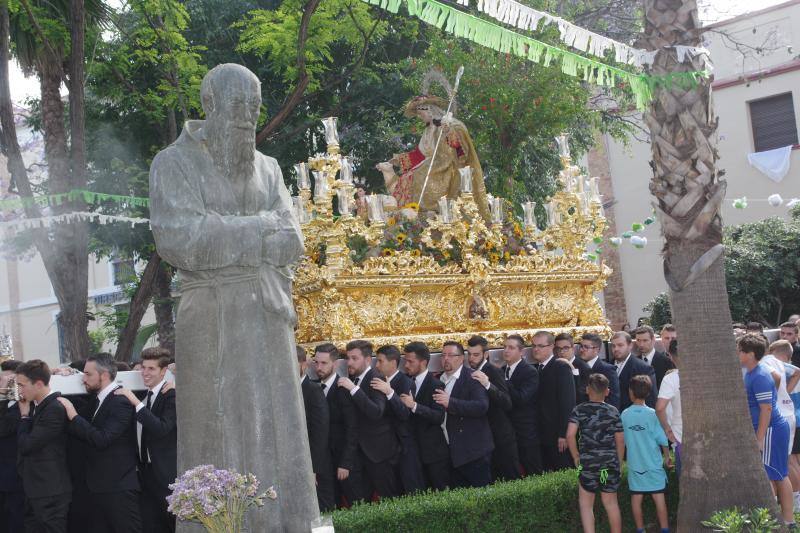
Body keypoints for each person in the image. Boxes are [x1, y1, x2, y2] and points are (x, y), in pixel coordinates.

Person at [149, 63, 317, 530]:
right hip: (213, 316)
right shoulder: (174, 163)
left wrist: (232, 234)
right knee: (218, 428)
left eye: (255, 108)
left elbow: (294, 241)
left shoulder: (269, 168)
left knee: (281, 427)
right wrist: (260, 230)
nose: (248, 118)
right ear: (212, 107)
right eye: (239, 107)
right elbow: (183, 240)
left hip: (267, 312)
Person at [376, 71, 491, 221]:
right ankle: (412, 212)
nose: (419, 116)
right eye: (417, 113)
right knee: (408, 176)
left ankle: (429, 209)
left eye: (420, 112)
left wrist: (449, 133)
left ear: (429, 110)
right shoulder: (428, 130)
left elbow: (460, 150)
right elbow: (419, 154)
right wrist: (398, 160)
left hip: (446, 167)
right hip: (429, 164)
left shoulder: (452, 124)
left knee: (417, 176)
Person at [57, 353, 142, 533]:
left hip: (118, 487)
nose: (83, 380)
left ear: (103, 375)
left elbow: (102, 439)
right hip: (97, 487)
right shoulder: (97, 400)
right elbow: (77, 428)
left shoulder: (121, 402)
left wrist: (73, 415)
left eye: (88, 374)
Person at [114, 348, 177, 533]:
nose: (145, 373)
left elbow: (161, 428)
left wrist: (136, 403)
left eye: (151, 369)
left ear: (163, 371)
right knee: (150, 525)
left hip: (165, 475)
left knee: (171, 524)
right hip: (144, 474)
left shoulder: (170, 395)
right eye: (143, 368)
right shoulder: (146, 397)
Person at [738, 334, 796, 528]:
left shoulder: (760, 375)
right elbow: (777, 381)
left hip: (770, 430)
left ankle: (771, 523)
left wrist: (760, 438)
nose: (737, 354)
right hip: (772, 430)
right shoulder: (754, 372)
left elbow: (766, 409)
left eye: (740, 351)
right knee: (779, 474)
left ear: (751, 354)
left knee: (771, 476)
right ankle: (788, 521)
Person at [337, 340, 400, 500]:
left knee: (389, 499)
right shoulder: (353, 378)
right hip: (359, 455)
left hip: (380, 453)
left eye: (354, 358)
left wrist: (354, 389)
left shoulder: (375, 378)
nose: (349, 362)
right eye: (347, 358)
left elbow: (376, 412)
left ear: (366, 360)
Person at [14, 360, 72, 533]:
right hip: (36, 490)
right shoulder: (39, 406)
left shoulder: (54, 408)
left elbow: (27, 445)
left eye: (22, 385)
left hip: (50, 493)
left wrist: (24, 417)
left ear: (38, 384)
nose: (20, 391)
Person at [567, 373, 624, 533]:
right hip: (609, 464)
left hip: (587, 465)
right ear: (607, 391)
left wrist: (576, 456)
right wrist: (619, 462)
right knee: (611, 504)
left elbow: (570, 435)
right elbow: (620, 440)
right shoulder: (613, 411)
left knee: (586, 505)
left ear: (587, 390)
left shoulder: (579, 410)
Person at [434, 341, 493, 487]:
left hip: (473, 450)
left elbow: (481, 406)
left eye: (451, 355)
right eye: (443, 355)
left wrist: (451, 402)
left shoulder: (472, 377)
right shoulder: (438, 379)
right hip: (450, 450)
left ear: (461, 358)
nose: (446, 359)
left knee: (481, 495)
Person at [371, 345, 425, 495]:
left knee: (411, 492)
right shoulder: (375, 381)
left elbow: (404, 414)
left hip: (405, 449)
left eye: (380, 361)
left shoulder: (406, 382)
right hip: (385, 450)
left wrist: (389, 392)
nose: (377, 365)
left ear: (393, 363)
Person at [621, 375, 671, 533]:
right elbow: (663, 439)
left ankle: (640, 530)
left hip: (635, 465)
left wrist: (620, 461)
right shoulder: (652, 415)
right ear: (648, 392)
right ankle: (665, 530)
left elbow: (621, 441)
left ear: (630, 392)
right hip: (654, 465)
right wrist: (668, 457)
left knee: (636, 499)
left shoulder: (624, 415)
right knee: (659, 498)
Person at [466, 335, 520, 481]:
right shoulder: (468, 372)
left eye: (476, 355)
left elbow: (507, 402)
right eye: (469, 354)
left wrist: (488, 384)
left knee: (511, 478)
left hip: (501, 436)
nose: (471, 358)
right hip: (484, 439)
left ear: (486, 355)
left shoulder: (493, 371)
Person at [398, 342, 450, 491]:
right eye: (405, 361)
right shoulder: (405, 382)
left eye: (410, 361)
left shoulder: (436, 384)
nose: (406, 365)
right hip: (413, 455)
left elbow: (438, 416)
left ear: (423, 362)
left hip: (434, 453)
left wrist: (414, 406)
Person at [312, 344, 358, 507]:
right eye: (316, 362)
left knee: (354, 506)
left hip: (343, 464)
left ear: (335, 364)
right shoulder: (313, 388)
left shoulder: (344, 389)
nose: (319, 367)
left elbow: (352, 428)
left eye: (324, 363)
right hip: (324, 464)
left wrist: (345, 463)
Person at [296, 346, 334, 512]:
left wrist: (314, 469)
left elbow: (321, 432)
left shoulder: (313, 390)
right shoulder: (282, 391)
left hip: (316, 467)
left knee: (322, 513)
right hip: (296, 464)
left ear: (304, 365)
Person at [532, 331, 576, 471]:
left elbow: (567, 402)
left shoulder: (560, 367)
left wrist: (563, 434)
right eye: (533, 346)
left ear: (551, 347)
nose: (536, 349)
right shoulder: (536, 368)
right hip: (542, 433)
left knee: (563, 470)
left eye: (540, 346)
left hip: (558, 435)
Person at [765, 340, 800, 510]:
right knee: (785, 463)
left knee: (777, 467)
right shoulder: (781, 364)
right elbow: (797, 372)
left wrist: (774, 396)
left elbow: (777, 377)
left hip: (778, 417)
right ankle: (794, 504)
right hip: (788, 415)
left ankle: (787, 507)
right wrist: (784, 392)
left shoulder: (768, 361)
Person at [502, 334, 542, 476]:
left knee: (533, 470)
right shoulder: (502, 370)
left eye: (511, 348)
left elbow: (522, 398)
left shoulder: (530, 372)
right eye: (505, 347)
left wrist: (505, 382)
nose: (506, 350)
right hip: (508, 432)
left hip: (526, 432)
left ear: (521, 352)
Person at [0, 360, 24, 533]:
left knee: (15, 519)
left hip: (15, 477)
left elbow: (4, 428)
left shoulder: (22, 407)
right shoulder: (6, 405)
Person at [655, 340, 682, 477]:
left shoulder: (670, 379)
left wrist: (667, 429)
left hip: (680, 435)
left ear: (670, 356)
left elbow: (660, 408)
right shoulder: (705, 374)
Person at [611, 332, 657, 411]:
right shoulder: (607, 366)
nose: (616, 349)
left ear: (630, 346)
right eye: (613, 346)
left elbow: (651, 399)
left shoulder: (643, 368)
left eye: (620, 345)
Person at [579, 334, 620, 409]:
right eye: (581, 346)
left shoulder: (607, 369)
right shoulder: (577, 366)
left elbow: (614, 398)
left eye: (586, 347)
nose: (581, 350)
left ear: (596, 350)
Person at [556, 333, 591, 405]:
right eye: (558, 348)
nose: (561, 352)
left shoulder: (584, 368)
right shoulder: (555, 365)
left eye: (565, 348)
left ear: (573, 348)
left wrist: (572, 368)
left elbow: (582, 396)